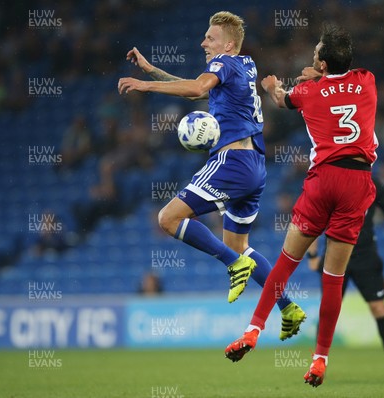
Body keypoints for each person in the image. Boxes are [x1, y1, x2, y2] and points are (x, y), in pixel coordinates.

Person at [117, 11, 305, 339]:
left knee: (167, 219)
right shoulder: (244, 66)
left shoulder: (224, 63)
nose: (203, 42)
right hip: (255, 167)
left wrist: (145, 85)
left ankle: (233, 265)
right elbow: (203, 91)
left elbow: (195, 90)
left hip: (230, 161)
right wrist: (152, 69)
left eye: (210, 38)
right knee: (240, 244)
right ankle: (288, 306)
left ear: (228, 44)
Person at [224, 25, 378, 387]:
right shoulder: (368, 81)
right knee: (334, 278)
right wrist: (320, 74)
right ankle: (320, 359)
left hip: (323, 180)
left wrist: (271, 87)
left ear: (322, 64)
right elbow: (342, 81)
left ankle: (252, 330)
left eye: (315, 56)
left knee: (285, 263)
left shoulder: (308, 91)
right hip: (357, 182)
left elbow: (282, 98)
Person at [307, 176, 384, 378]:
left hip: (365, 256)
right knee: (329, 310)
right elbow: (314, 218)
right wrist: (312, 253)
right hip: (335, 255)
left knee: (379, 307)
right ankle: (317, 365)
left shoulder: (373, 184)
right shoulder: (332, 182)